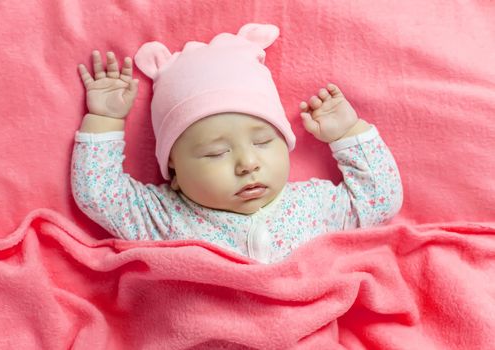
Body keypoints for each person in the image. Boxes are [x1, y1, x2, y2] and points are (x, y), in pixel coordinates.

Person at [71, 23, 403, 263]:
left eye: (263, 141)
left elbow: (379, 200)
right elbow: (98, 194)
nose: (248, 164)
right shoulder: (161, 217)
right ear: (173, 166)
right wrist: (106, 119)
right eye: (217, 152)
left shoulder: (312, 206)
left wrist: (348, 133)